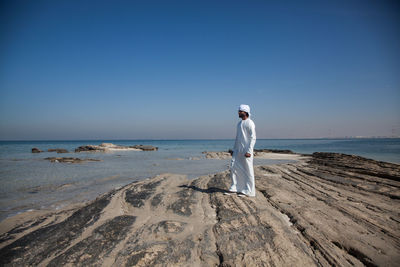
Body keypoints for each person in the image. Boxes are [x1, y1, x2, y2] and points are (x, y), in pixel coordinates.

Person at [227, 104, 256, 197]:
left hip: (246, 151)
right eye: (238, 111)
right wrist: (234, 150)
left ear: (245, 112)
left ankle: (249, 191)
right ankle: (235, 187)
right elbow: (237, 138)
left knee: (248, 170)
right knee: (234, 167)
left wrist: (249, 151)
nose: (238, 113)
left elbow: (253, 138)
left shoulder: (250, 123)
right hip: (238, 150)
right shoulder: (239, 124)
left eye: (240, 111)